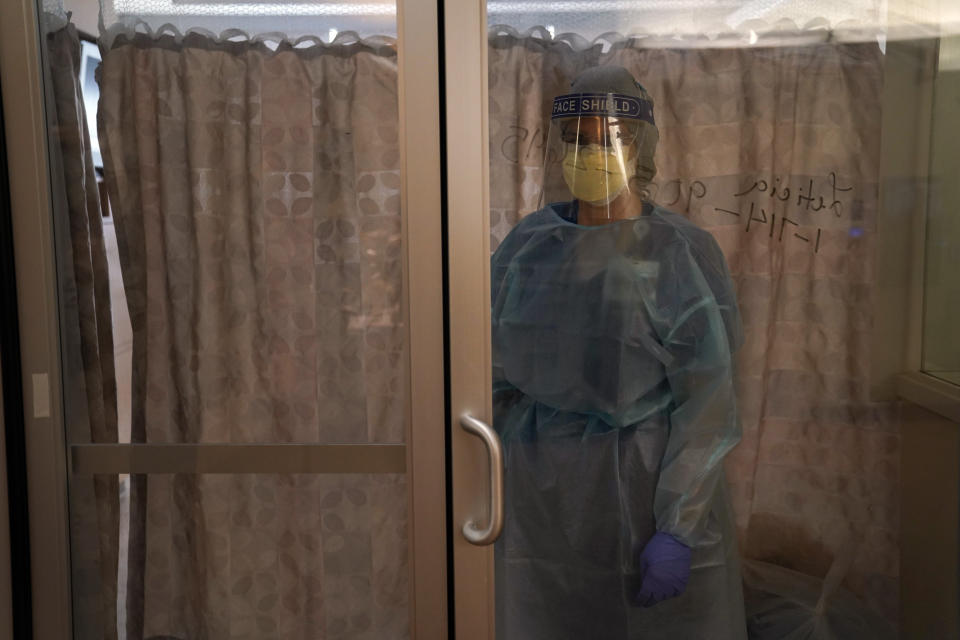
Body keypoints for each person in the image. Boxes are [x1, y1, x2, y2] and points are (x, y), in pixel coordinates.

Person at [491, 65, 748, 639]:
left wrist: (678, 527)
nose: (592, 152)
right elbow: (488, 373)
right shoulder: (528, 248)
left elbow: (707, 400)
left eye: (610, 138)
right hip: (540, 497)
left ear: (641, 146)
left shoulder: (677, 254)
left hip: (647, 488)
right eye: (579, 140)